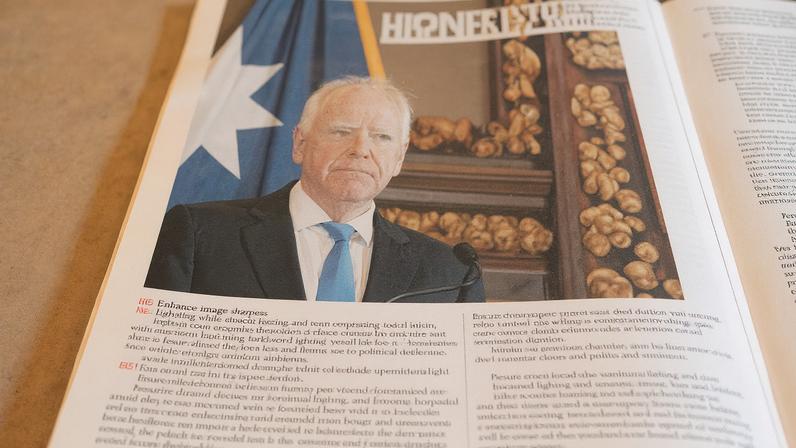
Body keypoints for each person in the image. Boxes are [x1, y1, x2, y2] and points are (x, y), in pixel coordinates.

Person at [145, 76, 485, 303]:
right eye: (341, 131)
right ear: (300, 144)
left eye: (382, 137)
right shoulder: (201, 235)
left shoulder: (451, 273)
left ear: (399, 158)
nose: (360, 149)